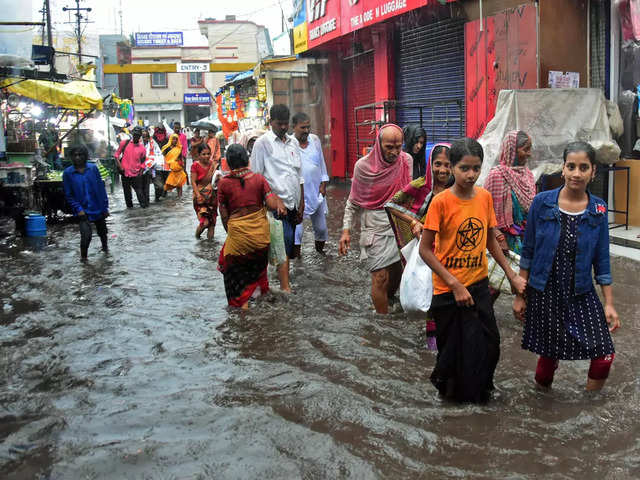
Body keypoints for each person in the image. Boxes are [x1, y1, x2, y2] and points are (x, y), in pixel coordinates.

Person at [418, 138, 526, 403]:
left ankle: (481, 395)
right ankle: (453, 403)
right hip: (448, 291)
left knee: (490, 345)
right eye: (464, 168)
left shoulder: (484, 198)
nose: (471, 174)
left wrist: (511, 275)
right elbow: (425, 250)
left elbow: (490, 238)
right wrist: (454, 284)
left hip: (478, 286)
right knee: (453, 353)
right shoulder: (441, 202)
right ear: (452, 168)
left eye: (476, 168)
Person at [513, 141, 620, 392]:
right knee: (550, 356)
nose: (576, 173)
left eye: (583, 167)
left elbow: (602, 260)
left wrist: (610, 303)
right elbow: (527, 252)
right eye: (571, 166)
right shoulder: (542, 203)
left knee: (604, 355)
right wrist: (520, 295)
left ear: (593, 172)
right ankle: (542, 402)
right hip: (545, 291)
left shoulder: (599, 210)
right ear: (562, 169)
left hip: (581, 292)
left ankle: (590, 405)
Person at [338, 124, 412, 314]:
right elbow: (353, 202)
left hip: (400, 222)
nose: (395, 152)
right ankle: (382, 322)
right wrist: (346, 231)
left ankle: (389, 300)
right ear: (378, 144)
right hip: (374, 225)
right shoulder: (363, 167)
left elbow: (409, 195)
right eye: (389, 147)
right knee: (380, 276)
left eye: (399, 146)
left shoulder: (406, 161)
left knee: (398, 272)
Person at [386, 143, 451, 349]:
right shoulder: (420, 185)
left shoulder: (459, 188)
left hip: (451, 249)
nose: (442, 170)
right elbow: (391, 204)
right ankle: (432, 345)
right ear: (430, 164)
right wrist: (413, 221)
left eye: (448, 165)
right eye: (437, 164)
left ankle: (448, 340)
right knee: (431, 294)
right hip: (428, 250)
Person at [218, 144, 286, 309]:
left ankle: (244, 314)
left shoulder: (223, 184)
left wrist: (233, 234)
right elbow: (270, 205)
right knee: (257, 269)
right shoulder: (259, 179)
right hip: (261, 240)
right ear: (247, 160)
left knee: (229, 266)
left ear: (228, 163)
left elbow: (224, 215)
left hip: (239, 240)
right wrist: (277, 200)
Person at [250, 104, 304, 293]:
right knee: (283, 245)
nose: (283, 127)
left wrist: (301, 205)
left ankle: (272, 284)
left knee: (287, 247)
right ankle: (284, 288)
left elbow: (299, 175)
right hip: (274, 208)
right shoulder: (262, 144)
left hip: (292, 205)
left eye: (285, 124)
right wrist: (266, 203)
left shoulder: (293, 143)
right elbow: (256, 178)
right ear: (271, 122)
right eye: (279, 124)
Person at [483, 130, 536, 255]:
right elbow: (484, 211)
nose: (529, 154)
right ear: (512, 151)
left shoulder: (528, 175)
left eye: (530, 149)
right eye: (525, 149)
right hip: (503, 242)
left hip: (527, 238)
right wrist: (498, 237)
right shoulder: (496, 175)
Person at [290, 112, 330, 256]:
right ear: (293, 127)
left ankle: (320, 254)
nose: (306, 131)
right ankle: (297, 260)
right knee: (297, 232)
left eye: (308, 127)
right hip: (298, 195)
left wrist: (323, 184)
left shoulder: (315, 140)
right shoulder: (289, 144)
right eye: (302, 128)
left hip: (316, 191)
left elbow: (321, 163)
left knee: (321, 229)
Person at [62, 144, 109, 261]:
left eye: (80, 155)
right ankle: (84, 260)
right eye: (75, 155)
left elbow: (101, 189)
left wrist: (105, 207)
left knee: (103, 232)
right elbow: (69, 195)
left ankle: (105, 250)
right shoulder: (68, 173)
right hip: (83, 210)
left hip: (97, 206)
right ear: (71, 157)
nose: (77, 158)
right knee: (86, 236)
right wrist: (78, 209)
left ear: (85, 156)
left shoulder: (93, 169)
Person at [115, 125, 148, 208]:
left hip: (136, 175)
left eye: (137, 135)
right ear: (132, 134)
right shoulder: (124, 143)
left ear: (140, 136)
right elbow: (116, 155)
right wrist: (120, 167)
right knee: (127, 196)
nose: (136, 136)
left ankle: (145, 212)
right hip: (124, 173)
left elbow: (143, 162)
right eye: (135, 134)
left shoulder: (142, 148)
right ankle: (130, 211)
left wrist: (140, 173)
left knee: (140, 194)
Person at [190, 143, 218, 240]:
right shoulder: (195, 166)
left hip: (212, 197)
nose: (206, 156)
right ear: (198, 155)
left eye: (208, 154)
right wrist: (198, 195)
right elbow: (193, 182)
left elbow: (216, 180)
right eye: (204, 154)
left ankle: (210, 249)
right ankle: (197, 238)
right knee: (204, 222)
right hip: (200, 196)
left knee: (212, 224)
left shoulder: (213, 165)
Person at [162, 133, 187, 198]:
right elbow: (163, 157)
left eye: (176, 139)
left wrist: (182, 165)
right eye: (173, 139)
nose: (175, 141)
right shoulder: (166, 148)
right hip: (169, 168)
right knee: (167, 182)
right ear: (170, 140)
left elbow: (181, 157)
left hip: (178, 167)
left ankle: (180, 198)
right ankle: (163, 196)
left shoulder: (179, 148)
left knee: (179, 183)